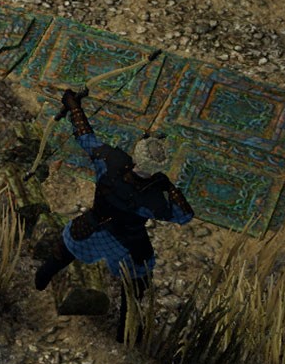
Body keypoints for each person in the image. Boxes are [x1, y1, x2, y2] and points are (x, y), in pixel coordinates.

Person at [44, 86, 194, 293]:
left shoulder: (111, 161)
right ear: (158, 168)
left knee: (62, 253)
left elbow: (85, 136)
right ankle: (129, 313)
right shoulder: (155, 200)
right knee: (139, 280)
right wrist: (168, 186)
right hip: (128, 243)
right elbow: (184, 216)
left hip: (91, 226)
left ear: (137, 156)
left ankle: (41, 280)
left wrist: (74, 107)